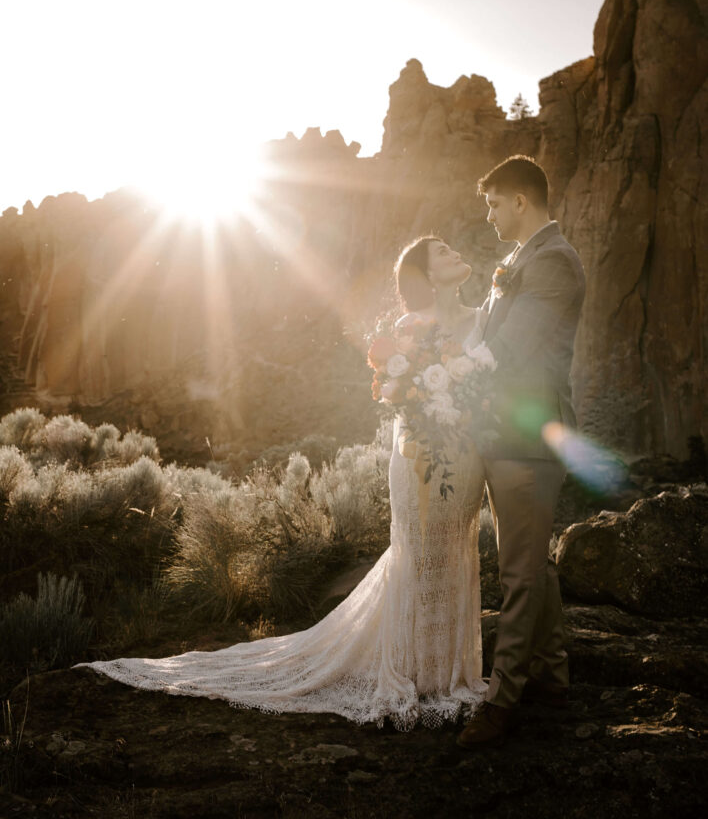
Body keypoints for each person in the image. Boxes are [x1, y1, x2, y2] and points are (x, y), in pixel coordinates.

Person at [75, 236, 489, 730]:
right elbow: (402, 393)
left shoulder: (486, 316)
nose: (455, 251)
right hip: (421, 458)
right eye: (441, 251)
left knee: (454, 553)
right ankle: (418, 672)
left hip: (464, 462)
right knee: (420, 555)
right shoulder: (407, 328)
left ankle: (447, 670)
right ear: (425, 275)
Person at [457, 155, 586, 749]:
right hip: (502, 432)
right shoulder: (514, 261)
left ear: (520, 200)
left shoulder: (554, 261)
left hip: (530, 439)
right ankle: (553, 678)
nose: (488, 216)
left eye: (492, 204)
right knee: (535, 563)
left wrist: (449, 377)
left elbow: (508, 349)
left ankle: (502, 699)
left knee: (519, 574)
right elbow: (479, 333)